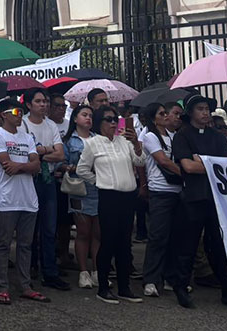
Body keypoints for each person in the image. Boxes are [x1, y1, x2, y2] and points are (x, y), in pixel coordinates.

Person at [170, 95, 227, 308]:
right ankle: (181, 286)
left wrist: (202, 161)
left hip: (216, 198)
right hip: (194, 197)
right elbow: (187, 167)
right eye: (200, 108)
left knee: (218, 244)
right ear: (191, 112)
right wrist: (211, 164)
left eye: (207, 108)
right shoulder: (183, 136)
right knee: (188, 244)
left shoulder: (217, 136)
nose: (205, 113)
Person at [77, 105, 145, 304]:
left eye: (115, 119)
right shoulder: (92, 143)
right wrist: (98, 181)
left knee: (125, 243)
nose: (113, 123)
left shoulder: (124, 141)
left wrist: (136, 144)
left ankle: (124, 287)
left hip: (127, 196)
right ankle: (104, 287)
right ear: (99, 123)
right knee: (108, 241)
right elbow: (82, 170)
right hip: (108, 196)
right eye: (108, 119)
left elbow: (140, 162)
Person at [0, 99, 46, 304]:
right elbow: (6, 166)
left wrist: (20, 166)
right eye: (14, 111)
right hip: (7, 199)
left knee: (25, 245)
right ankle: (2, 287)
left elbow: (36, 165)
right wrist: (26, 165)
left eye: (21, 111)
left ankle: (25, 285)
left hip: (28, 199)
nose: (19, 114)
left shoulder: (28, 137)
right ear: (3, 114)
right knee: (3, 244)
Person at [21, 87, 70, 290]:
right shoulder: (22, 124)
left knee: (49, 228)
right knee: (29, 229)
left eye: (45, 101)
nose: (44, 105)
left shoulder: (50, 125)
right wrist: (45, 151)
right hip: (29, 180)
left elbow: (60, 155)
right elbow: (25, 155)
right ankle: (30, 267)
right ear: (29, 104)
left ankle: (49, 272)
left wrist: (40, 152)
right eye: (39, 101)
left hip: (48, 180)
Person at [137, 102, 180, 298]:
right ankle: (151, 279)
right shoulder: (150, 136)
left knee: (174, 237)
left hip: (177, 190)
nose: (166, 116)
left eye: (166, 113)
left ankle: (170, 276)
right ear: (154, 118)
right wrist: (185, 172)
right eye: (161, 113)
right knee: (158, 236)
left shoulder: (173, 136)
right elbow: (162, 160)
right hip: (160, 190)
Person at [63, 104, 100, 289]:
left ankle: (97, 270)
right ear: (75, 118)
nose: (88, 118)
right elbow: (61, 164)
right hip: (79, 188)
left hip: (98, 187)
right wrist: (70, 167)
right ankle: (83, 271)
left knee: (98, 233)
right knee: (83, 232)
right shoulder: (70, 141)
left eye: (91, 116)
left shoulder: (98, 139)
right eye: (84, 115)